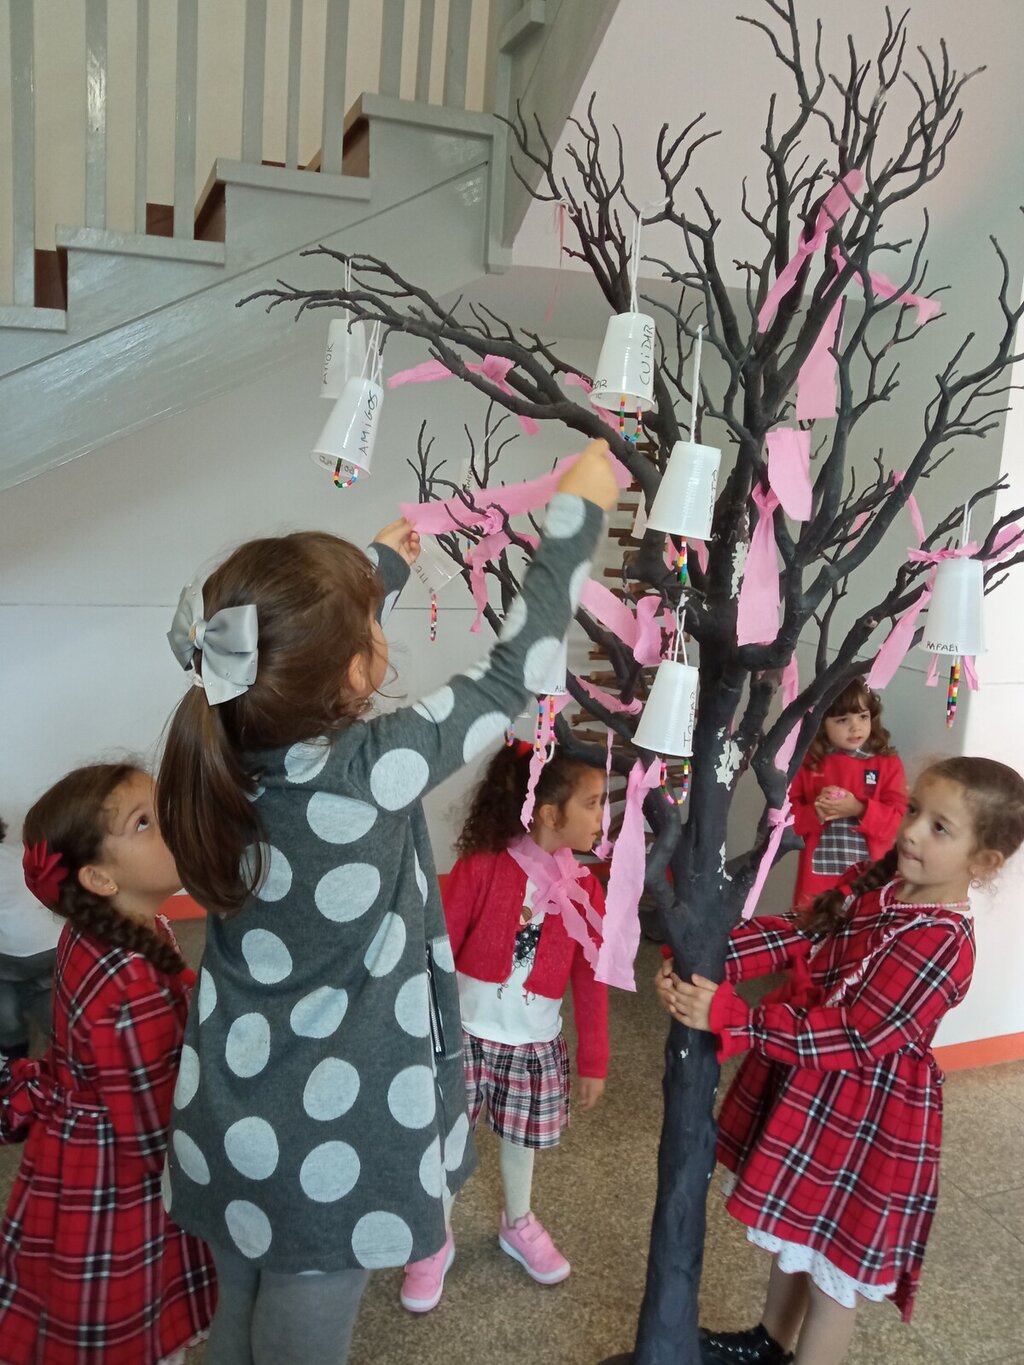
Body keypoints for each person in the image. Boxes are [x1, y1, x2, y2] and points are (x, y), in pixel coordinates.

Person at [155, 440, 619, 1365]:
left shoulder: (225, 749)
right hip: (328, 1137)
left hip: (231, 1105)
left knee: (238, 1308)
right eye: (371, 629)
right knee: (302, 1322)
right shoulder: (369, 774)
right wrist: (579, 518)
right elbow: (510, 673)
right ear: (348, 675)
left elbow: (309, 669)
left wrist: (383, 571)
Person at [656, 755, 1024, 1365]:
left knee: (834, 1272)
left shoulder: (941, 941)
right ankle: (768, 1342)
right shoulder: (881, 887)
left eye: (940, 828)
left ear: (983, 863)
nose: (910, 832)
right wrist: (707, 956)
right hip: (819, 1092)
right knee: (798, 1237)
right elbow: (801, 933)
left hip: (866, 1116)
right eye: (914, 812)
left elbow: (857, 1034)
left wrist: (735, 1018)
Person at [0, 764, 217, 1365]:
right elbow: (151, 1128)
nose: (170, 821)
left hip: (75, 1140)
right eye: (144, 823)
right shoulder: (133, 986)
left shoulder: (96, 931)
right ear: (98, 877)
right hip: (120, 1171)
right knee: (134, 1314)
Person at [400, 740, 609, 1312]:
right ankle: (432, 1239)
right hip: (466, 1035)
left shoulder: (586, 890)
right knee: (446, 1141)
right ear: (548, 813)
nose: (602, 817)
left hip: (534, 1044)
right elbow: (435, 944)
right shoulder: (485, 867)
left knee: (521, 1142)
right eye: (592, 803)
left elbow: (592, 982)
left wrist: (593, 1060)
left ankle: (517, 1221)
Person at [788, 678, 906, 908]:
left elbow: (899, 823)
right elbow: (785, 821)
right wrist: (817, 813)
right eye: (842, 720)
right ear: (821, 722)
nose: (856, 727)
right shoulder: (808, 762)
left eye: (863, 716)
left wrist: (858, 809)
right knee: (814, 931)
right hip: (819, 879)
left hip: (871, 880)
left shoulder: (887, 763)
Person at [0, 813, 62, 1060]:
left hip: (19, 954)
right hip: (58, 941)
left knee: (4, 989)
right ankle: (65, 1042)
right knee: (43, 987)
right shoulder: (17, 851)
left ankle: (11, 1047)